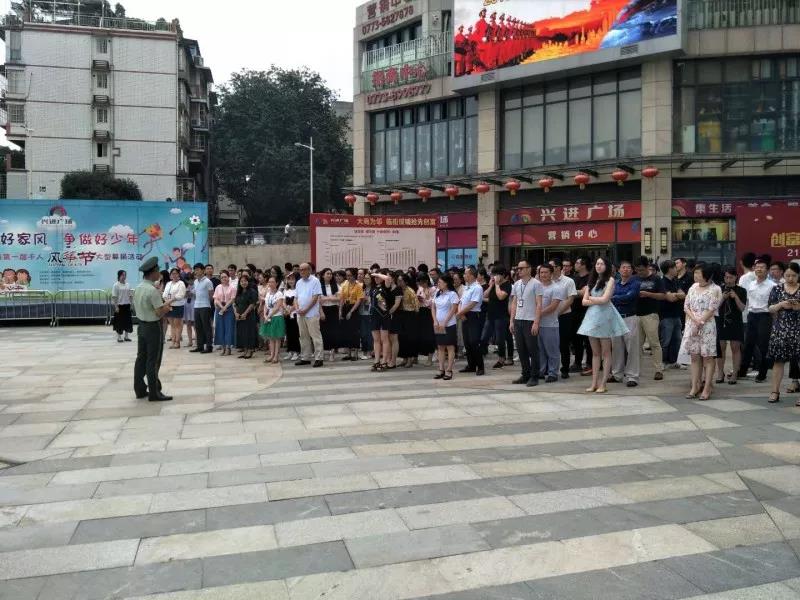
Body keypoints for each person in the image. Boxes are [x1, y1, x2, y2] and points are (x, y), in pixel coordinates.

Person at [578, 257, 629, 394]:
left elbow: (605, 299)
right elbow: (583, 302)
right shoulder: (591, 280)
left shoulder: (610, 280)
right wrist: (595, 300)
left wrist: (590, 298)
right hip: (592, 317)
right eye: (597, 263)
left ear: (607, 266)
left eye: (601, 264)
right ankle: (594, 383)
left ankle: (603, 383)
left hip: (605, 316)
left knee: (606, 352)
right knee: (595, 353)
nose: (598, 266)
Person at [132, 257, 173, 402]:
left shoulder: (138, 288)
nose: (159, 274)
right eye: (158, 271)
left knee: (141, 358)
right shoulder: (152, 291)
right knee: (153, 360)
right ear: (153, 272)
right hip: (153, 328)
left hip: (141, 326)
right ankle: (154, 392)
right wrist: (167, 307)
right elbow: (158, 312)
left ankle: (139, 389)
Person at [681, 264, 723, 401]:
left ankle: (707, 387)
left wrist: (700, 322)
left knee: (708, 357)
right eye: (695, 273)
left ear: (707, 275)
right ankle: (695, 386)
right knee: (694, 356)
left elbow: (712, 308)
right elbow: (686, 306)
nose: (695, 275)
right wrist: (694, 320)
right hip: (692, 325)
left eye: (698, 273)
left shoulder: (715, 289)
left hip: (707, 326)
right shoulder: (692, 287)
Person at [766, 262, 800, 404]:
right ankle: (775, 391)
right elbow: (770, 308)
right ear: (783, 275)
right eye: (787, 275)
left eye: (794, 275)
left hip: (798, 329)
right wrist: (780, 305)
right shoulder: (777, 288)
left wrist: (798, 307)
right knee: (778, 361)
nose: (790, 278)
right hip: (780, 330)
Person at [738, 258, 776, 382]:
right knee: (748, 344)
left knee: (763, 345)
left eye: (762, 267)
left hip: (765, 316)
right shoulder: (751, 284)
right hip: (752, 315)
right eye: (757, 267)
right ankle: (742, 370)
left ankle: (762, 373)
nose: (759, 269)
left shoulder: (772, 286)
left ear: (767, 270)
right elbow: (748, 301)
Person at [510, 259, 543, 387]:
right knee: (521, 349)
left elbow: (539, 304)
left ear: (529, 269)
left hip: (530, 320)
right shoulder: (517, 284)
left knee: (532, 349)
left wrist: (536, 322)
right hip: (518, 320)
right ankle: (525, 374)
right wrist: (511, 321)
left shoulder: (536, 284)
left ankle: (534, 376)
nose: (519, 271)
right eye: (518, 268)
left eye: (521, 268)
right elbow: (514, 303)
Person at [611, 260, 641, 387]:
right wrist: (619, 297)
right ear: (619, 270)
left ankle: (632, 376)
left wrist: (615, 298)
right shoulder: (615, 283)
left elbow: (630, 297)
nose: (626, 269)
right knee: (616, 347)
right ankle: (616, 374)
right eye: (623, 267)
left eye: (628, 267)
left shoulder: (635, 283)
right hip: (616, 318)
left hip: (630, 317)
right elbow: (610, 296)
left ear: (632, 270)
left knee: (632, 348)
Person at [714, 267, 746, 385]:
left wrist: (735, 297)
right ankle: (720, 373)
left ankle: (734, 374)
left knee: (735, 347)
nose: (728, 280)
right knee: (720, 347)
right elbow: (714, 307)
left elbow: (742, 308)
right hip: (721, 321)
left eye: (731, 277)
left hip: (735, 321)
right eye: (726, 277)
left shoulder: (741, 290)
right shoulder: (719, 289)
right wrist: (722, 298)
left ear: (735, 277)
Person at [636, 257, 665, 381]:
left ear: (648, 267)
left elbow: (663, 296)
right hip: (636, 315)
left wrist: (648, 294)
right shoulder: (634, 278)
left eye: (642, 270)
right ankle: (636, 370)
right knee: (637, 344)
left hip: (651, 314)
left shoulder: (656, 279)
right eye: (638, 270)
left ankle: (658, 369)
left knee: (654, 343)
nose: (640, 272)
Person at [537, 264, 565, 383]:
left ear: (551, 273)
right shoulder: (537, 287)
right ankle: (541, 371)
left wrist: (537, 314)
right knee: (540, 350)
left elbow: (553, 307)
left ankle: (553, 373)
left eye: (546, 272)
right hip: (537, 324)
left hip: (550, 325)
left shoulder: (556, 288)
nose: (543, 275)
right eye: (541, 272)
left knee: (552, 350)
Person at [482, 266, 514, 369]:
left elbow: (501, 296)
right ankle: (481, 355)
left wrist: (496, 285)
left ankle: (502, 359)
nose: (493, 276)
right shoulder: (493, 284)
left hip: (502, 316)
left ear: (502, 275)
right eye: (492, 274)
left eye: (496, 275)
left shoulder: (507, 285)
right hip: (490, 315)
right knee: (484, 337)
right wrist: (491, 285)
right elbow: (485, 295)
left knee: (501, 339)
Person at [457, 266, 485, 376]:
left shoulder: (477, 287)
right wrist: (461, 312)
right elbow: (461, 302)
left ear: (472, 275)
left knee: (474, 342)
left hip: (473, 315)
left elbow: (473, 303)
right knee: (467, 342)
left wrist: (460, 313)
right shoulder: (467, 287)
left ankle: (480, 366)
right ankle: (471, 365)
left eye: (465, 274)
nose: (464, 275)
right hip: (464, 314)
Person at [295, 263, 324, 367]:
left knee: (315, 336)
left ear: (309, 270)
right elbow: (296, 297)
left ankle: (319, 358)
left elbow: (315, 297)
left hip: (311, 313)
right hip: (300, 314)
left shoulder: (315, 281)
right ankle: (305, 357)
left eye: (304, 269)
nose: (301, 271)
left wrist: (306, 309)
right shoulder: (298, 282)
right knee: (303, 336)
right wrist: (297, 308)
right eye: (300, 270)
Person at [551, 260, 576, 379]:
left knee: (563, 344)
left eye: (552, 266)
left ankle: (565, 369)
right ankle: (550, 368)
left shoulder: (568, 281)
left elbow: (570, 300)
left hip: (564, 316)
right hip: (549, 317)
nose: (550, 268)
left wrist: (557, 313)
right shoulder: (546, 281)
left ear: (558, 267)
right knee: (550, 343)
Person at [659, 260, 686, 368]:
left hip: (676, 315)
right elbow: (670, 298)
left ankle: (674, 361)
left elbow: (683, 295)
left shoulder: (675, 280)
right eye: (674, 267)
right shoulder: (662, 282)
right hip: (666, 316)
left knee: (677, 340)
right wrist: (676, 295)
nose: (676, 269)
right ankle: (663, 362)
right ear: (669, 269)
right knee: (665, 341)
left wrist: (674, 295)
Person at [432, 273, 460, 380]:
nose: (438, 284)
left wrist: (445, 322)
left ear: (446, 283)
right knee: (440, 347)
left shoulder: (452, 294)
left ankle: (449, 370)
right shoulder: (437, 293)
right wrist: (435, 320)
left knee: (450, 347)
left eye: (440, 282)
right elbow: (433, 307)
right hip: (438, 324)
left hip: (449, 324)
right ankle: (441, 369)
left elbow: (453, 309)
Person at [571, 256, 593, 375]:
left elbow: (585, 293)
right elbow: (578, 292)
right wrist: (578, 292)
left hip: (587, 311)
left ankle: (589, 364)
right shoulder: (574, 278)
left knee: (588, 340)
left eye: (577, 263)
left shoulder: (590, 278)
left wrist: (574, 292)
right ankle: (577, 363)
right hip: (575, 311)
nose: (575, 264)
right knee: (576, 339)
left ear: (583, 265)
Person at [339, 268, 364, 361]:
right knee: (346, 331)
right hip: (345, 307)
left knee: (354, 331)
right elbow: (342, 298)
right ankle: (349, 353)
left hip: (354, 308)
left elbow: (359, 300)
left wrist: (351, 312)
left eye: (350, 275)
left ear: (354, 275)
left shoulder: (358, 286)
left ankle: (355, 354)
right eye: (347, 275)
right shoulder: (345, 284)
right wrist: (340, 310)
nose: (348, 277)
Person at [396, 273, 420, 368]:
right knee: (402, 338)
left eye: (400, 280)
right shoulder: (398, 290)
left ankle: (410, 359)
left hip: (410, 315)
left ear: (405, 282)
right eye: (398, 280)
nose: (398, 282)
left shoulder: (410, 291)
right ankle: (404, 358)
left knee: (409, 338)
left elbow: (416, 306)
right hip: (401, 315)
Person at [233, 272, 258, 359]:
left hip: (249, 316)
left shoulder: (252, 291)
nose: (243, 283)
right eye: (242, 281)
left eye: (245, 281)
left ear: (248, 282)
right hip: (239, 316)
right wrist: (236, 313)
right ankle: (245, 350)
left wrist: (245, 313)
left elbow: (252, 304)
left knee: (249, 333)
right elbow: (235, 304)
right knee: (242, 333)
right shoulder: (239, 292)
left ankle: (250, 350)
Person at [191, 263, 214, 354]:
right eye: (195, 270)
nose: (196, 271)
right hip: (196, 306)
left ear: (203, 270)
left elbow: (211, 295)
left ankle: (209, 346)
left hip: (205, 306)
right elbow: (195, 293)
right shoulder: (195, 281)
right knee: (198, 327)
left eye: (198, 269)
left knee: (206, 327)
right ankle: (200, 346)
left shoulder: (208, 281)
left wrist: (208, 305)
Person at [213, 271, 236, 355]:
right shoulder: (218, 287)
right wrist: (221, 307)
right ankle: (223, 347)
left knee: (228, 328)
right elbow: (215, 299)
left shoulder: (232, 287)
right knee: (220, 328)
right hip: (219, 309)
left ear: (228, 277)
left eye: (225, 277)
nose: (224, 278)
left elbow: (232, 299)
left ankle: (228, 348)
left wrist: (225, 307)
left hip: (229, 309)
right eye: (222, 277)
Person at [319, 268, 340, 361]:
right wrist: (321, 312)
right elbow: (318, 301)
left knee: (333, 331)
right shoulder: (319, 286)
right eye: (327, 273)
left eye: (331, 274)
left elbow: (339, 298)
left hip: (333, 310)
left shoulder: (336, 286)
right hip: (323, 310)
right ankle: (323, 351)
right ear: (323, 275)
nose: (329, 275)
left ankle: (332, 352)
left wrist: (326, 298)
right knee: (323, 332)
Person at [416, 272, 437, 366]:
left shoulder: (433, 289)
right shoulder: (420, 288)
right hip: (421, 312)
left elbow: (432, 303)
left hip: (429, 313)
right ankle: (419, 356)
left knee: (429, 335)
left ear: (426, 281)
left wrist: (425, 299)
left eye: (423, 282)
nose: (421, 284)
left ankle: (430, 358)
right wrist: (418, 299)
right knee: (421, 335)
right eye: (420, 282)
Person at [163, 268, 187, 349]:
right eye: (172, 273)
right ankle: (173, 341)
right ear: (170, 275)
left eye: (175, 273)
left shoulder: (181, 283)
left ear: (178, 274)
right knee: (172, 325)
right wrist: (167, 302)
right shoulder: (168, 283)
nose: (174, 275)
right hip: (169, 306)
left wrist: (170, 301)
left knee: (177, 325)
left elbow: (180, 295)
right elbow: (164, 294)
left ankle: (177, 342)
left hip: (178, 305)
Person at [283, 272, 301, 361]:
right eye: (289, 279)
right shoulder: (286, 291)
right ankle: (290, 351)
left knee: (295, 333)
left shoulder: (298, 290)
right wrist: (286, 309)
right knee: (288, 333)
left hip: (295, 314)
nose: (291, 281)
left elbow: (297, 302)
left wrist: (291, 309)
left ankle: (297, 351)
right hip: (287, 314)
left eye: (293, 279)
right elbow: (283, 301)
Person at [111, 269, 133, 343]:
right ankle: (119, 337)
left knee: (127, 321)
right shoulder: (116, 285)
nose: (124, 276)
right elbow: (114, 296)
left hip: (127, 305)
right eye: (122, 275)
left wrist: (131, 304)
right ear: (119, 276)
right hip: (120, 306)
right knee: (119, 322)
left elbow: (130, 295)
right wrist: (116, 306)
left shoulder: (128, 285)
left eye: (125, 275)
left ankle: (126, 336)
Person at [359, 273, 374, 360]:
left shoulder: (374, 289)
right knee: (363, 334)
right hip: (362, 313)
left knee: (369, 334)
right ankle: (364, 352)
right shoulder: (362, 288)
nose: (365, 280)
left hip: (370, 314)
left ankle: (369, 351)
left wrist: (368, 299)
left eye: (368, 278)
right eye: (365, 278)